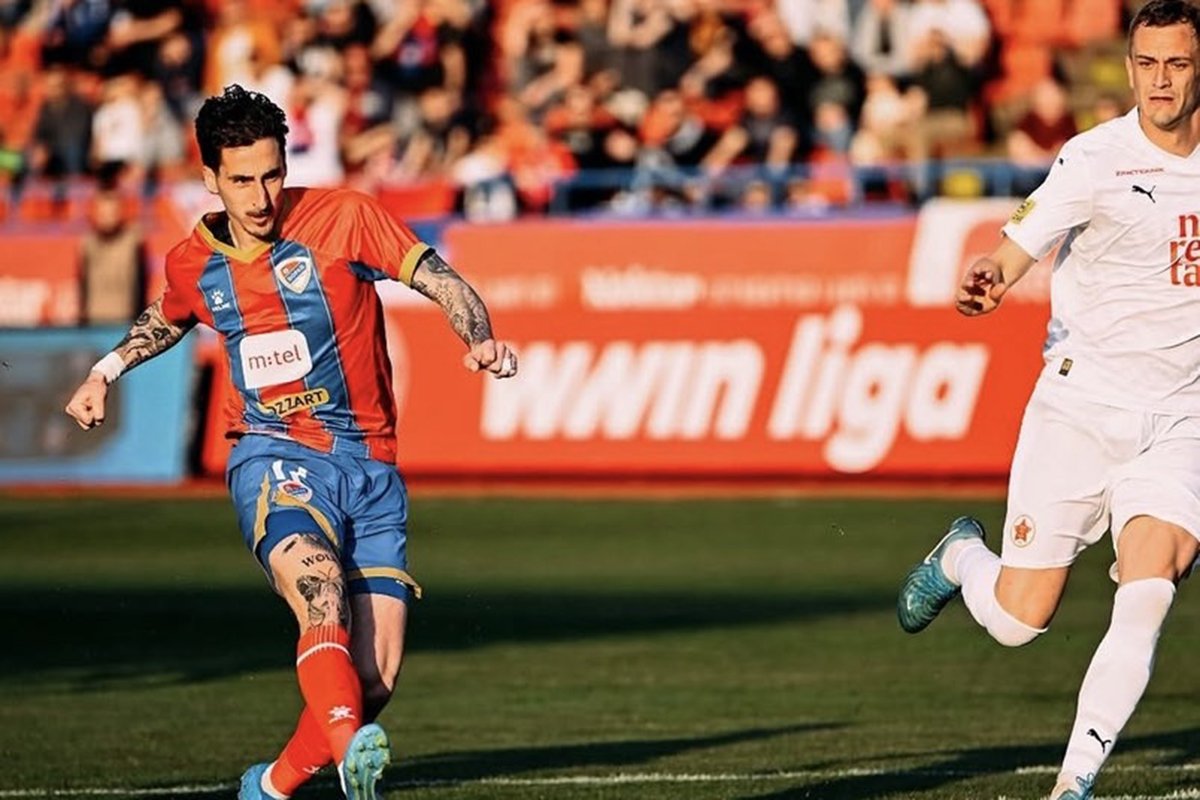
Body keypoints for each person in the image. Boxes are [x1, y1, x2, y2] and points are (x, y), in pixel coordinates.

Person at [63, 85, 518, 800]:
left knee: (373, 679)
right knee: (318, 587)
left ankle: (272, 786)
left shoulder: (345, 217)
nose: (261, 196)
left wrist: (480, 338)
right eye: (242, 180)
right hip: (274, 452)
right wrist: (105, 371)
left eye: (272, 174)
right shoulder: (194, 261)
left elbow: (442, 280)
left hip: (371, 466)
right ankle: (351, 758)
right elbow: (169, 315)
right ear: (210, 178)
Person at [896, 3, 1200, 799]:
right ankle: (961, 557)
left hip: (1182, 419)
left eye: (1177, 64)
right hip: (1080, 409)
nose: (1160, 82)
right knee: (1018, 621)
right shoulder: (1095, 159)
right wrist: (990, 276)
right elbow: (1017, 244)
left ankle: (1072, 786)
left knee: (1150, 590)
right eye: (1147, 64)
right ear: (1128, 68)